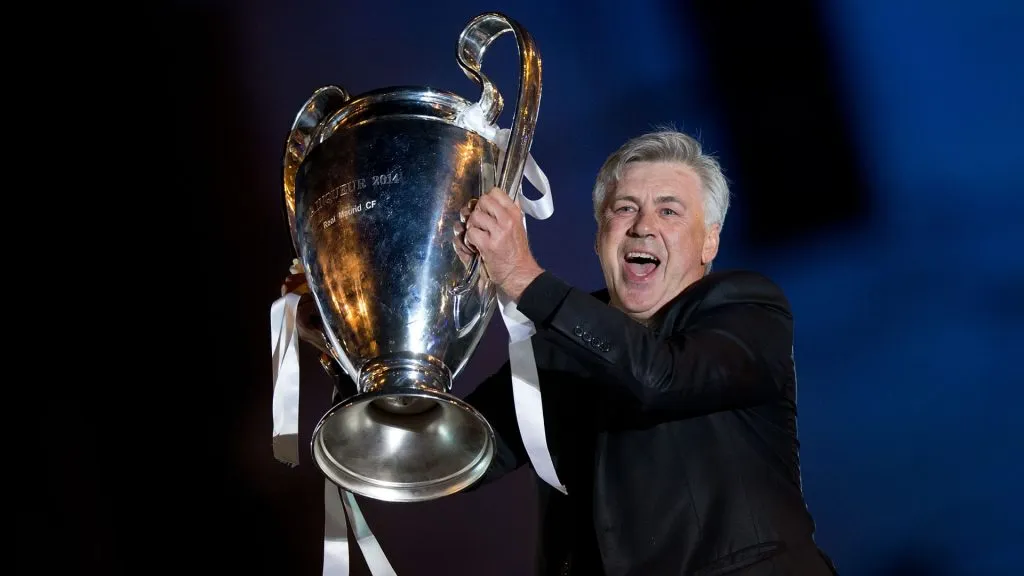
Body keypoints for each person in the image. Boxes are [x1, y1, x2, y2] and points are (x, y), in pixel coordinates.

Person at [283, 129, 838, 575]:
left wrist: (524, 277)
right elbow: (446, 458)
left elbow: (661, 377)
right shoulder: (557, 348)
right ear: (599, 236)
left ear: (709, 241)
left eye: (670, 211)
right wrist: (350, 350)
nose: (643, 226)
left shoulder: (745, 308)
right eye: (624, 209)